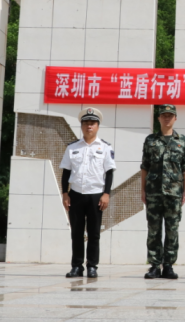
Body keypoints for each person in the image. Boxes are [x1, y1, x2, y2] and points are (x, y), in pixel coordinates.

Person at [60, 108, 116, 278]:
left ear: (98, 126)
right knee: (76, 233)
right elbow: (66, 172)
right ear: (82, 126)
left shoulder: (105, 147)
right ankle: (77, 266)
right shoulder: (72, 147)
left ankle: (92, 266)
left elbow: (109, 172)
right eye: (85, 123)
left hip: (95, 195)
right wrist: (65, 193)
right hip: (76, 195)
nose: (89, 126)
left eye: (92, 123)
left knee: (94, 233)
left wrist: (106, 194)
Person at [140, 104, 185, 280]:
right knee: (153, 230)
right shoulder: (150, 140)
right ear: (159, 118)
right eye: (164, 115)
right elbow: (144, 167)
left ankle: (168, 265)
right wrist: (143, 190)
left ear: (175, 118)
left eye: (170, 115)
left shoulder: (183, 141)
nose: (167, 118)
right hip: (153, 192)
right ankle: (155, 265)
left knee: (172, 230)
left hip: (174, 194)